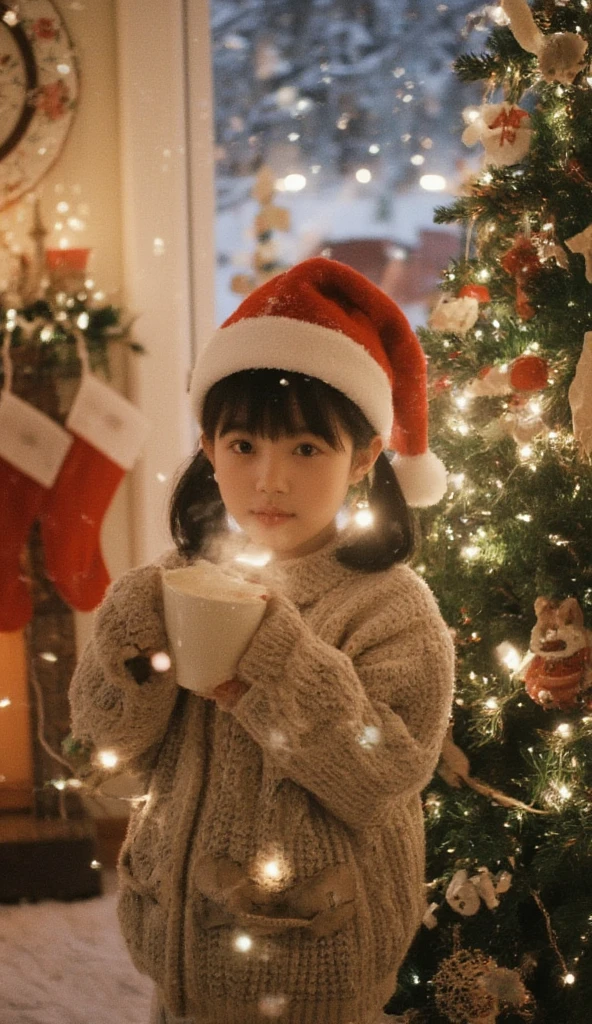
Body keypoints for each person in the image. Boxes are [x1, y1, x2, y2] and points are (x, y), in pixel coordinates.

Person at [69, 257, 455, 1024]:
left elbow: (379, 778)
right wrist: (128, 643)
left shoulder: (394, 610)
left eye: (306, 450)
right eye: (244, 445)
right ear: (209, 449)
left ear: (363, 460)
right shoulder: (175, 582)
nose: (269, 479)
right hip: (178, 939)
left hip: (316, 955)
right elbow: (104, 753)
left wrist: (274, 652)